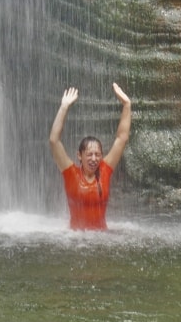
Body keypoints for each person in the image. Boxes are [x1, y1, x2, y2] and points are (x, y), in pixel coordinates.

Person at [49, 83, 132, 230]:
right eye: (89, 155)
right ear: (79, 155)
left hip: (101, 238)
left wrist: (127, 105)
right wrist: (64, 107)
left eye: (97, 155)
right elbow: (54, 140)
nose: (94, 159)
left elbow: (122, 138)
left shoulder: (105, 170)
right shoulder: (71, 173)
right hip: (76, 239)